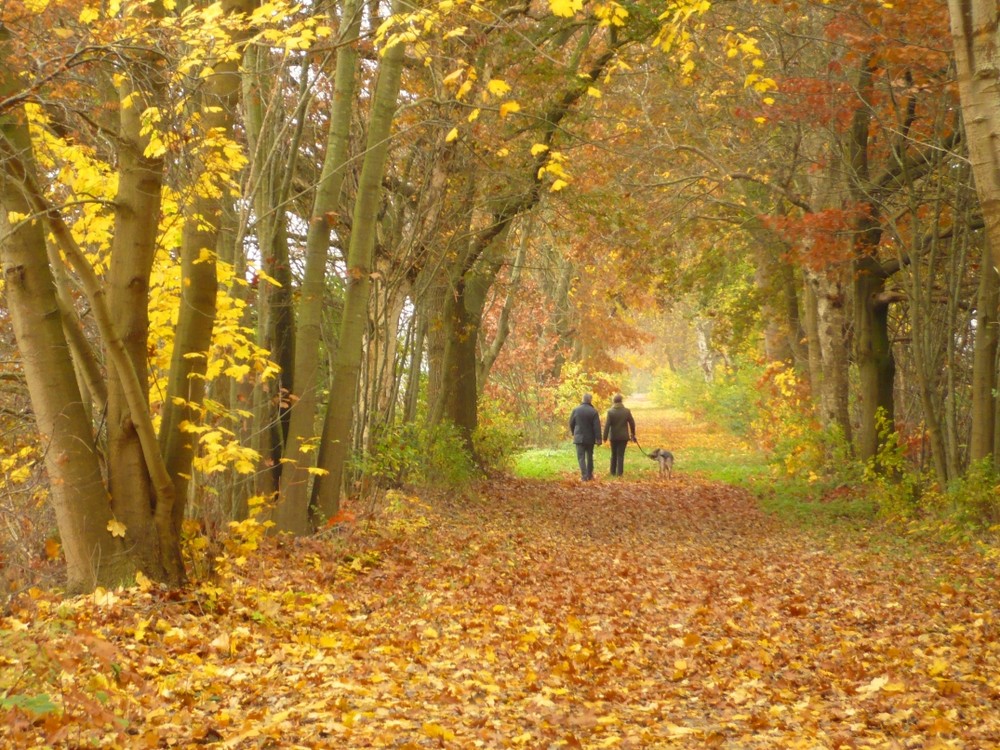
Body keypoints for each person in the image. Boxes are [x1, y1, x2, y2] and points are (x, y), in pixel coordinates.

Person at [568, 393, 602, 481]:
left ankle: (584, 476)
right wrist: (598, 439)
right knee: (589, 456)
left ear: (582, 399)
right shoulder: (593, 411)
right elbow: (596, 426)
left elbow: (571, 423)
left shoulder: (576, 410)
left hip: (579, 437)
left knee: (581, 457)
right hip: (590, 438)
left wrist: (573, 433)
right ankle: (590, 475)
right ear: (590, 400)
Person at [603, 393, 636, 477]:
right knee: (620, 455)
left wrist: (605, 437)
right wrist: (632, 433)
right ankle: (620, 473)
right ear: (621, 401)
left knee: (613, 454)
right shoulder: (626, 411)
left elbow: (607, 425)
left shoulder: (610, 412)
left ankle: (612, 472)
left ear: (614, 401)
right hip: (623, 436)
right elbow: (632, 423)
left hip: (613, 436)